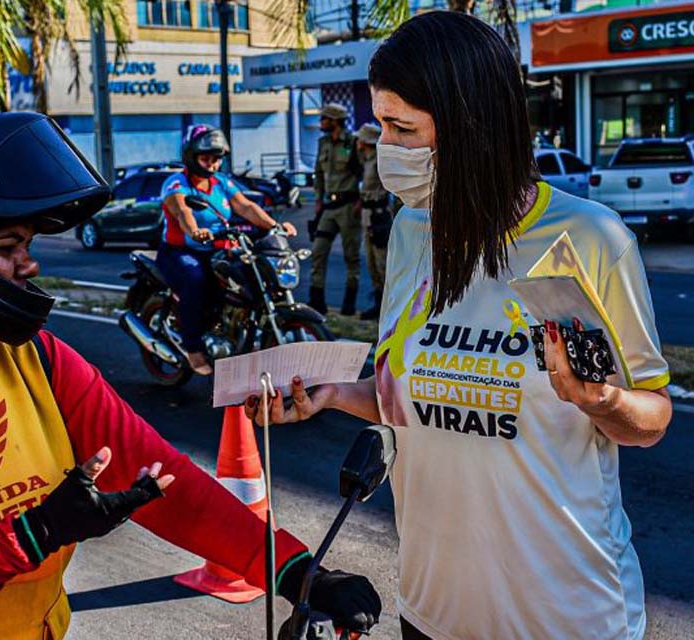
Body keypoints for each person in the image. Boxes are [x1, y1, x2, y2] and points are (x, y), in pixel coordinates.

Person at [0, 107, 379, 640]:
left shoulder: (37, 360)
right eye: (8, 247)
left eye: (27, 245)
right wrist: (33, 534)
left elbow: (166, 482)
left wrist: (296, 571)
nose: (29, 266)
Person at [247, 12, 673, 640]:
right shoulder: (412, 231)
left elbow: (653, 418)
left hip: (567, 616)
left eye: (403, 128)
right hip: (432, 611)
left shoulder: (591, 238)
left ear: (473, 127)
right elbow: (411, 398)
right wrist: (331, 395)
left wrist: (600, 400)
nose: (386, 148)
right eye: (381, 126)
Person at [158, 124, 297, 375]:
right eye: (206, 158)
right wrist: (195, 231)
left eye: (216, 159)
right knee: (195, 280)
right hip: (180, 251)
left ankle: (235, 328)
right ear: (191, 156)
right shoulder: (177, 183)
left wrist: (275, 226)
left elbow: (246, 207)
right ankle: (193, 348)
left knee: (246, 278)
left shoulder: (221, 182)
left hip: (217, 248)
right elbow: (182, 211)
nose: (212, 164)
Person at [309, 102, 362, 316]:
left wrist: (361, 200)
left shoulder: (353, 141)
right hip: (328, 207)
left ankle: (349, 304)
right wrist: (318, 200)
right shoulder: (323, 143)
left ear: (335, 121)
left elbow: (366, 171)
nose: (321, 122)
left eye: (324, 118)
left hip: (349, 205)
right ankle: (317, 301)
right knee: (318, 251)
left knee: (351, 257)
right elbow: (318, 174)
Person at [355, 122, 391, 320]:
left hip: (378, 214)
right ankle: (379, 303)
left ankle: (389, 307)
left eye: (361, 139)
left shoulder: (379, 160)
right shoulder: (367, 159)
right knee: (371, 262)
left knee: (382, 261)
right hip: (367, 214)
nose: (357, 142)